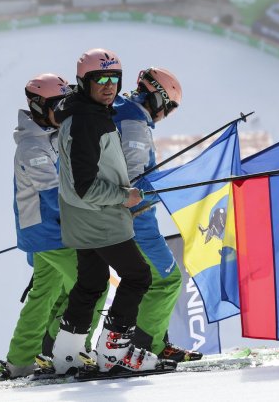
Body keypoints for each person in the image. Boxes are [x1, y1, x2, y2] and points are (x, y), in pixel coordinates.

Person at [47, 48, 174, 375]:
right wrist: (125, 196)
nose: (109, 86)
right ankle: (115, 352)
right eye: (100, 79)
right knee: (139, 276)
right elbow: (85, 185)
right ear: (83, 81)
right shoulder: (90, 120)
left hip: (85, 216)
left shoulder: (88, 112)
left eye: (113, 79)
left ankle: (67, 353)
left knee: (92, 280)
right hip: (100, 216)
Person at [0, 74, 107, 381]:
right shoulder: (32, 148)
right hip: (50, 233)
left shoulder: (51, 137)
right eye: (59, 105)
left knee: (45, 294)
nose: (65, 111)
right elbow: (53, 198)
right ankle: (70, 353)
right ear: (40, 106)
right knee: (94, 284)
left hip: (46, 231)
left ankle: (22, 360)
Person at [113, 67, 201, 362]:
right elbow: (134, 182)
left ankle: (150, 342)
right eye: (170, 107)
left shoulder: (123, 114)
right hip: (137, 221)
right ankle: (146, 348)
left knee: (146, 281)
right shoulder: (134, 124)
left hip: (128, 220)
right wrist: (171, 181)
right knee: (168, 280)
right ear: (159, 98)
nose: (168, 114)